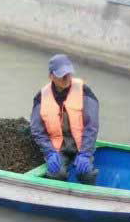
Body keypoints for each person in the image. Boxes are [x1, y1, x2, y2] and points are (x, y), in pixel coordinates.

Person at [30, 54, 99, 185]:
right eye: (62, 75)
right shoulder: (41, 97)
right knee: (56, 174)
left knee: (86, 173)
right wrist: (49, 152)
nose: (66, 78)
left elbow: (92, 126)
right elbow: (37, 130)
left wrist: (85, 153)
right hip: (58, 149)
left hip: (81, 146)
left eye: (68, 73)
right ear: (51, 76)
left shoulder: (84, 91)